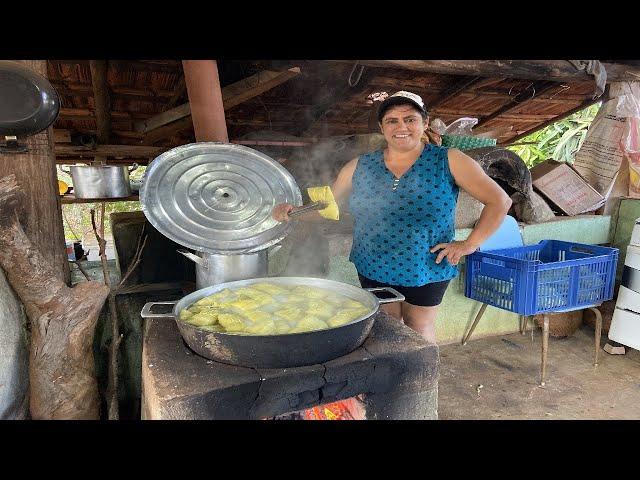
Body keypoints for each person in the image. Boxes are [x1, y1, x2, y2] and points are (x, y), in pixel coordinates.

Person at [272, 91, 512, 344]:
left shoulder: (449, 160)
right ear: (382, 127)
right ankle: (395, 378)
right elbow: (326, 207)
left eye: (410, 119)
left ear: (425, 123)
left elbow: (499, 201)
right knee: (386, 327)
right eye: (392, 121)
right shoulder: (360, 165)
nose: (402, 127)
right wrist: (293, 213)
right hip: (374, 262)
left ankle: (422, 381)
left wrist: (469, 244)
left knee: (419, 326)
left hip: (427, 263)